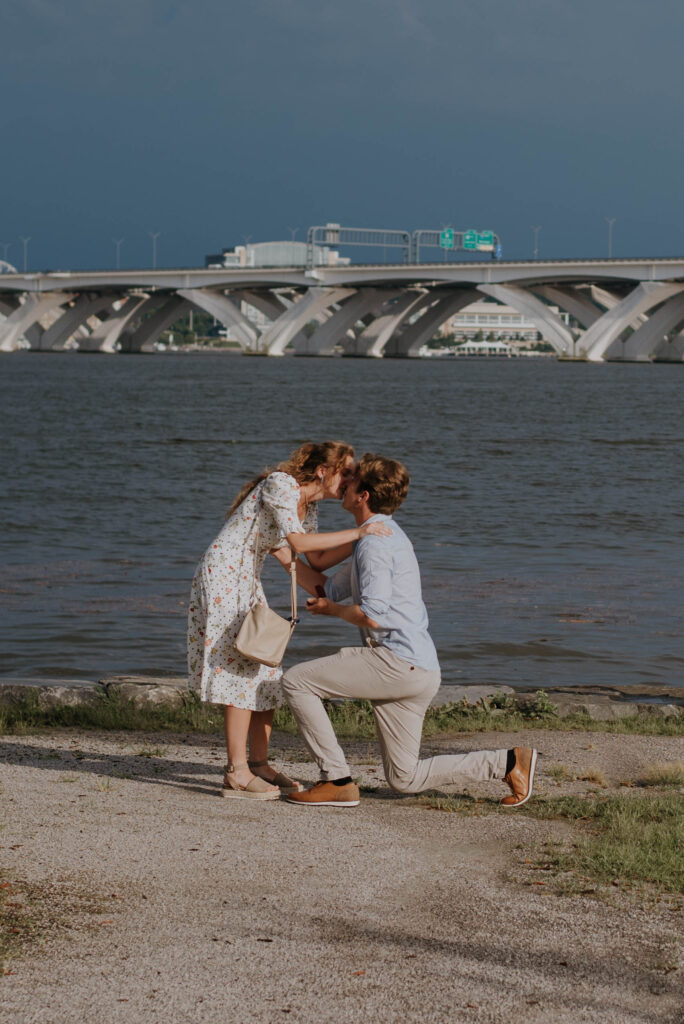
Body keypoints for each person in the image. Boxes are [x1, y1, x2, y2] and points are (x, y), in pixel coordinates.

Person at [281, 453, 537, 808]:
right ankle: (509, 762)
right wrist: (282, 553)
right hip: (419, 669)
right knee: (405, 778)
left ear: (363, 495)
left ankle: (335, 779)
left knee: (297, 681)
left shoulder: (375, 544)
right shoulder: (374, 536)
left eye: (351, 480)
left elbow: (371, 615)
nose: (344, 483)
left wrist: (334, 612)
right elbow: (328, 588)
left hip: (397, 663)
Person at [187, 442, 391, 800]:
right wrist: (360, 534)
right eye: (346, 472)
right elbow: (299, 541)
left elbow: (311, 558)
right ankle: (236, 771)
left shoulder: (307, 507)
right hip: (224, 575)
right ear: (322, 471)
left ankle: (260, 764)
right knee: (240, 666)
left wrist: (368, 537)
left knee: (266, 667)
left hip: (247, 579)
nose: (351, 479)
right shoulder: (280, 484)